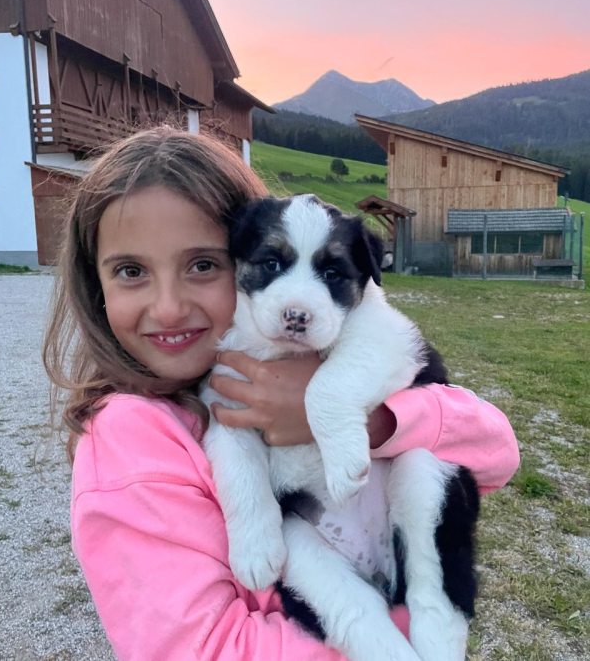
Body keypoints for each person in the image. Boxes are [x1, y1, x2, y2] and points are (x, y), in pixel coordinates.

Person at [43, 126, 519, 661]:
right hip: (333, 586)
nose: (170, 307)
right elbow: (200, 644)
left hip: (399, 547)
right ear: (95, 285)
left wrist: (360, 419)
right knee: (320, 572)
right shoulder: (128, 440)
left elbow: (497, 452)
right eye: (131, 271)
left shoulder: (348, 335)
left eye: (203, 265)